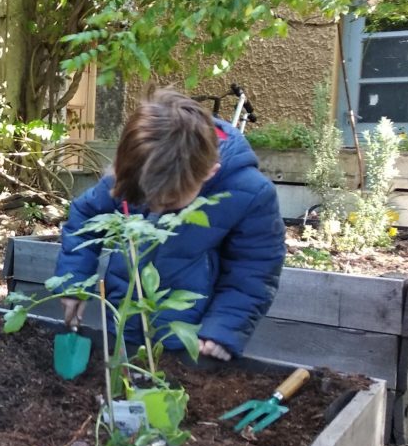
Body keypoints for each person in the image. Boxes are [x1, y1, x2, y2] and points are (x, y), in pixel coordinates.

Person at [55, 88, 285, 360]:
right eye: (144, 198)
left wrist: (223, 328)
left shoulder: (249, 194)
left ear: (210, 173)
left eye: (169, 202)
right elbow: (86, 215)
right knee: (122, 374)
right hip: (122, 317)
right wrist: (74, 282)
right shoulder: (140, 167)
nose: (155, 209)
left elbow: (254, 271)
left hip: (190, 337)